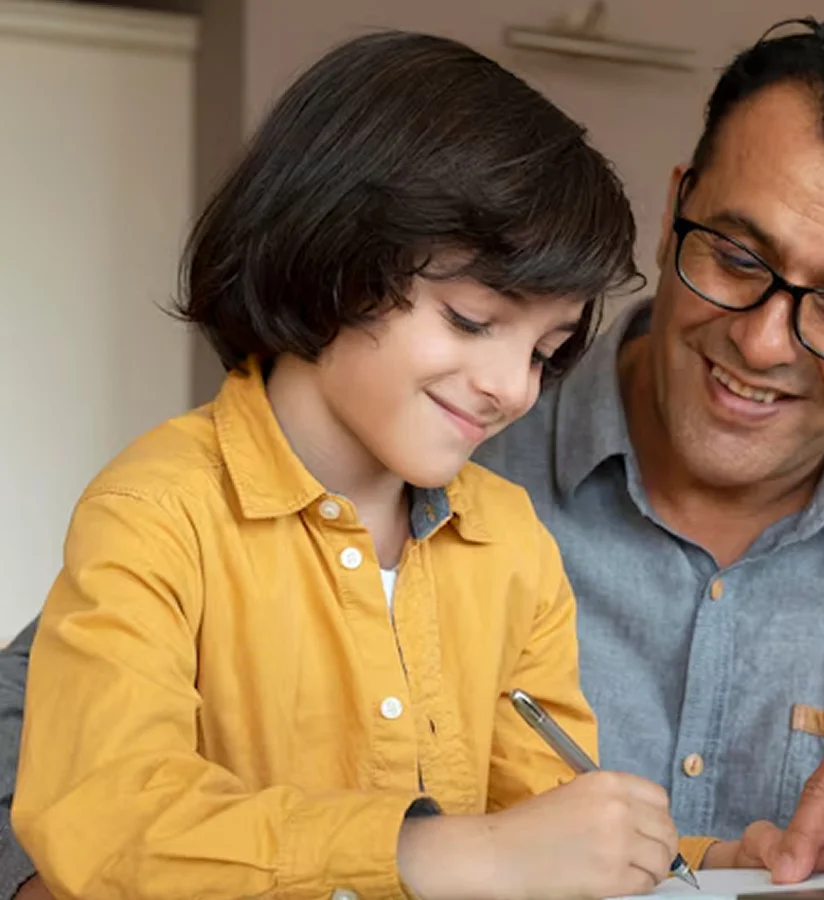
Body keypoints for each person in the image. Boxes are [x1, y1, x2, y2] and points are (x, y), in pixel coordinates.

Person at [0, 13, 824, 898]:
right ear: (676, 208)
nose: (762, 342)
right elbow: (47, 768)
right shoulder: (323, 486)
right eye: (734, 256)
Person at [5, 30, 693, 900]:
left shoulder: (511, 543)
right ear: (331, 255)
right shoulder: (155, 511)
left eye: (547, 352)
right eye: (474, 322)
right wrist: (443, 856)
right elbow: (104, 825)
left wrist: (705, 863)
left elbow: (548, 831)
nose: (512, 388)